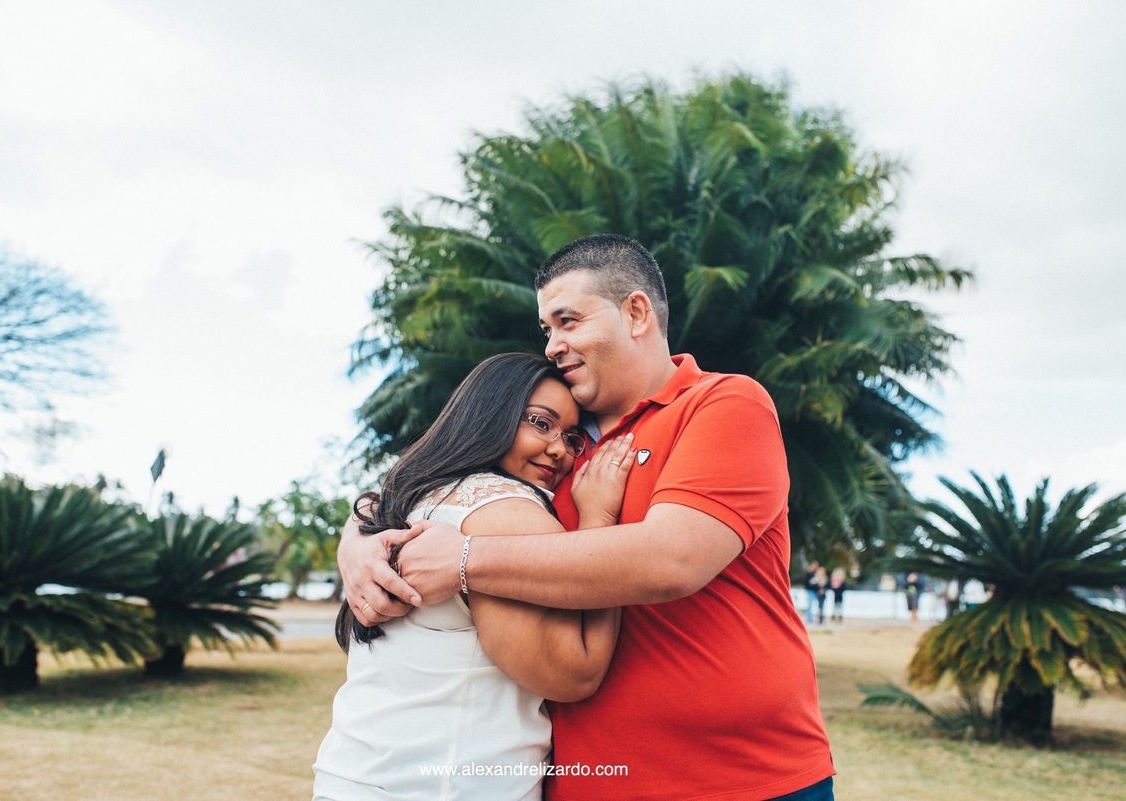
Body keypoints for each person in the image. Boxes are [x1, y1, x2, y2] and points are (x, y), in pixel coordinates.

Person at [342, 233, 835, 800]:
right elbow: (439, 483)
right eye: (547, 330)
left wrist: (465, 560)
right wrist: (358, 541)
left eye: (568, 321)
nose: (553, 345)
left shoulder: (723, 404)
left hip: (747, 778)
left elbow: (673, 559)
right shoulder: (552, 450)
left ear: (636, 312)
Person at [314, 352, 637, 801]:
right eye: (541, 423)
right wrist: (600, 519)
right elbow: (572, 674)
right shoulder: (506, 510)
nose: (560, 449)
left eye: (571, 438)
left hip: (353, 774)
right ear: (490, 415)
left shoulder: (409, 496)